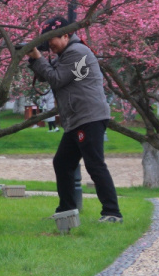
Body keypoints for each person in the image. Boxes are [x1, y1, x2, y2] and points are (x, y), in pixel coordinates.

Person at [27, 17, 123, 223]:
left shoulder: (76, 52)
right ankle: (66, 209)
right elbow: (49, 74)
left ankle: (112, 213)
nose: (50, 45)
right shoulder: (65, 54)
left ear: (66, 35)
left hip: (88, 117)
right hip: (77, 118)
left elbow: (56, 78)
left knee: (94, 164)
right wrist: (35, 57)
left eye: (52, 39)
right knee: (62, 162)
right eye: (47, 41)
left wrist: (37, 57)